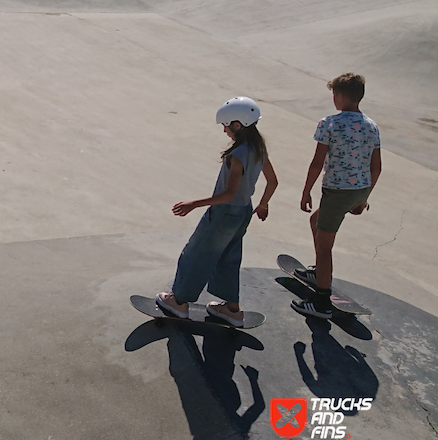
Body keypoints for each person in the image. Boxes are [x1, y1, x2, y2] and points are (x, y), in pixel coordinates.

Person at [157, 97, 278, 327]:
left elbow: (229, 193)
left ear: (237, 125)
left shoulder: (238, 155)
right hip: (244, 212)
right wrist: (263, 204)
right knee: (229, 260)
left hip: (224, 214)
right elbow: (273, 181)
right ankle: (232, 310)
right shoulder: (258, 149)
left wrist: (194, 203)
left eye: (225, 126)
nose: (224, 131)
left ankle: (179, 302)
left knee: (196, 255)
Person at [294, 73, 382, 319]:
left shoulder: (329, 123)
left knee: (325, 247)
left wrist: (306, 191)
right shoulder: (371, 125)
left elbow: (317, 162)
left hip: (337, 192)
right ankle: (318, 271)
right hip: (360, 190)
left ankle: (322, 302)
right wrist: (364, 198)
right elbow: (377, 167)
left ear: (340, 96)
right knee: (316, 221)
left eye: (334, 94)